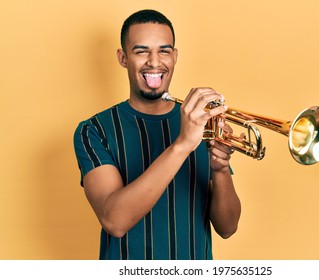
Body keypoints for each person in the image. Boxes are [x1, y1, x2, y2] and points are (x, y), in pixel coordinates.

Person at [73, 9, 241, 260]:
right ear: (123, 58)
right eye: (141, 51)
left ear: (174, 57)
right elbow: (114, 221)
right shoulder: (93, 130)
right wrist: (183, 145)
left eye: (164, 51)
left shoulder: (201, 121)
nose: (154, 62)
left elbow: (227, 228)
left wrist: (220, 169)